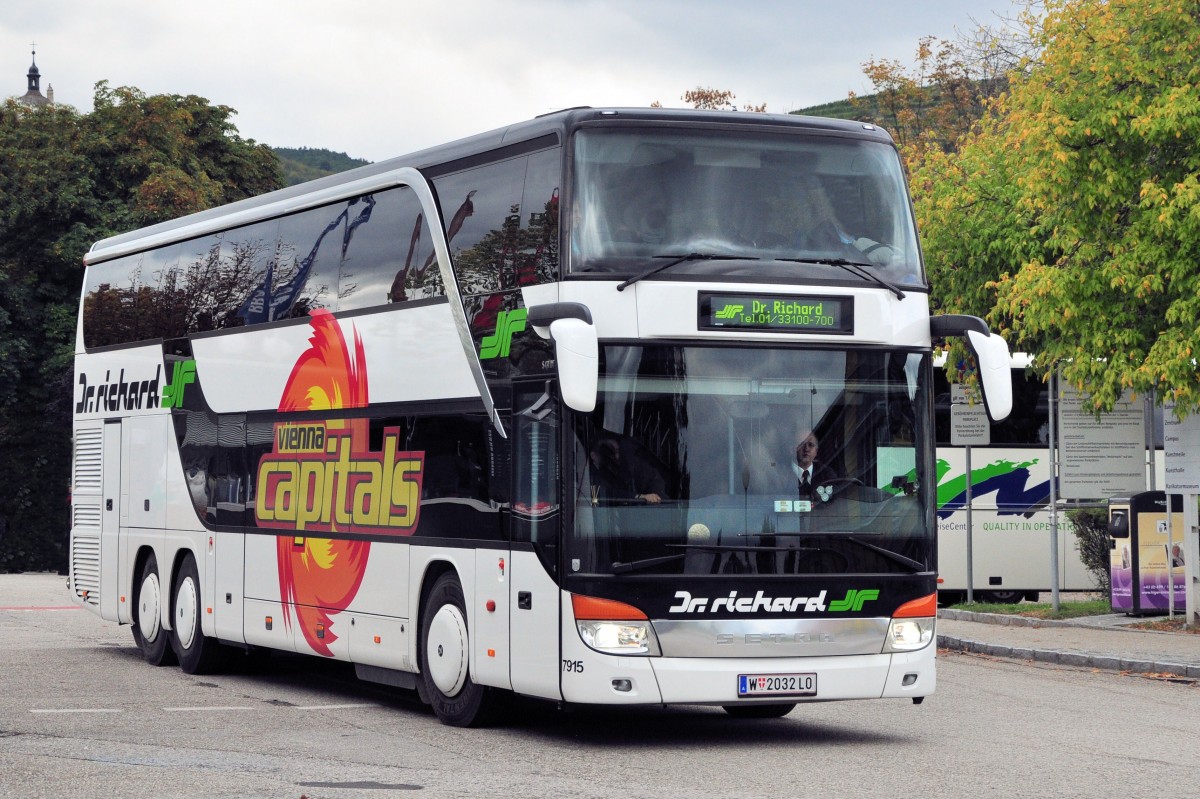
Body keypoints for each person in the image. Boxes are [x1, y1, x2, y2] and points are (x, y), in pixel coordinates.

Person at [589, 436, 666, 504]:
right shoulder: (590, 475)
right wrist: (640, 497)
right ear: (593, 455)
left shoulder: (617, 472)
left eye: (616, 451)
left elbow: (651, 479)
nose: (614, 456)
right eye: (608, 452)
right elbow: (609, 493)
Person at [793, 429, 835, 500]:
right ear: (793, 449)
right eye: (801, 444)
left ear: (816, 451)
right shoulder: (781, 475)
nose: (806, 449)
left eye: (811, 445)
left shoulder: (827, 474)